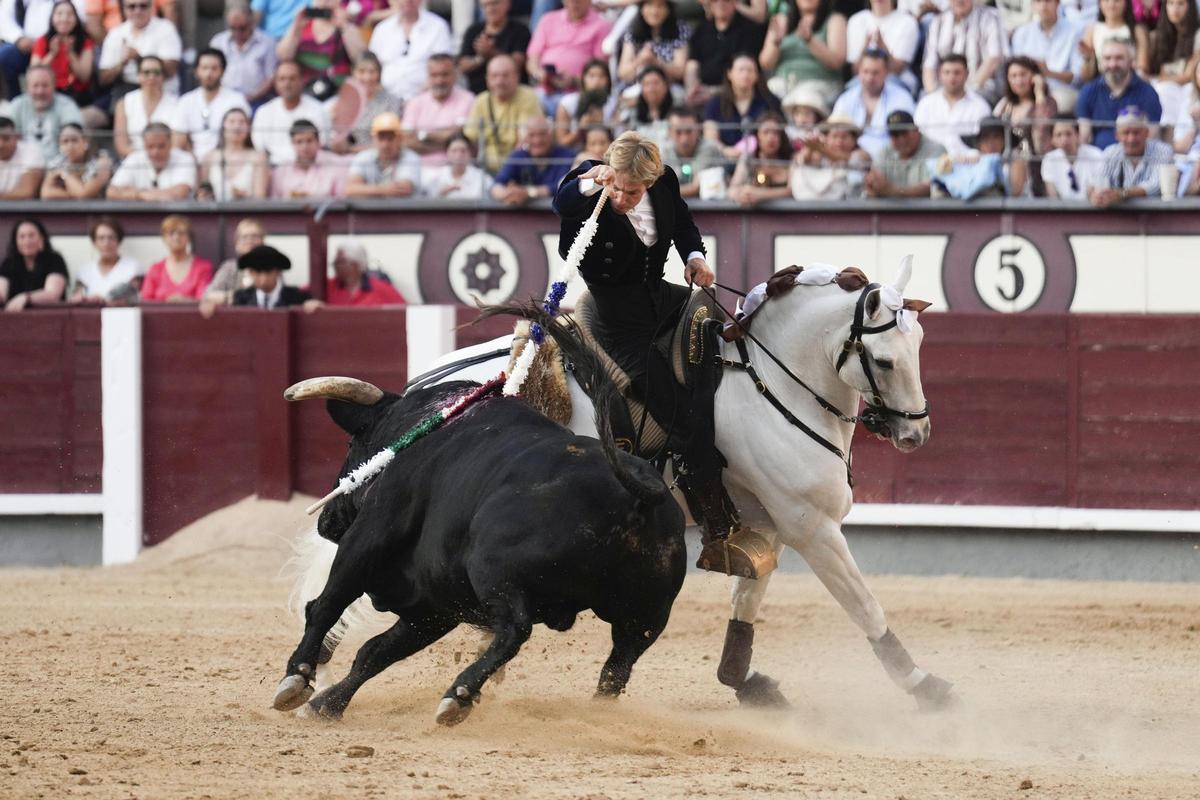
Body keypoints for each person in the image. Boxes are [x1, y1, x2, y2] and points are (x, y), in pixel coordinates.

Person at [552, 130, 771, 578]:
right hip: (617, 319)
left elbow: (683, 222)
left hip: (659, 297)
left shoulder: (665, 181)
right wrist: (596, 181)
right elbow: (563, 202)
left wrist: (694, 256)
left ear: (650, 182)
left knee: (717, 330)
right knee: (682, 415)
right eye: (619, 188)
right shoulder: (593, 182)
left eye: (632, 192)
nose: (622, 198)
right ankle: (717, 529)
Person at [526, 0, 612, 113]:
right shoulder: (548, 20)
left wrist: (574, 80)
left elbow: (600, 69)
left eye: (578, 1)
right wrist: (539, 74)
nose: (574, 3)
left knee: (568, 105)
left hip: (578, 93)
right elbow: (533, 58)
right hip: (543, 90)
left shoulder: (602, 25)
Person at [463, 54, 544, 173]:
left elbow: (525, 140)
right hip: (485, 170)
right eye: (494, 76)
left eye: (505, 76)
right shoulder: (481, 100)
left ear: (517, 76)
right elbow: (470, 139)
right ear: (487, 79)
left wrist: (507, 173)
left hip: (518, 168)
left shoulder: (527, 97)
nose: (499, 81)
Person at [1077, 36, 1162, 148]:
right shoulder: (1088, 91)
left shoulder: (1147, 93)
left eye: (1119, 58)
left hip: (1134, 160)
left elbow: (1151, 137)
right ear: (1100, 62)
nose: (1112, 64)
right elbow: (1084, 138)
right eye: (1107, 58)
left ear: (1131, 61)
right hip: (1098, 160)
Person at [830, 48, 915, 159]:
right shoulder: (845, 99)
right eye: (866, 72)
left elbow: (907, 137)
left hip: (890, 159)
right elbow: (835, 132)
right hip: (849, 157)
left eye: (875, 73)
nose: (870, 78)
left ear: (886, 73)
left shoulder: (902, 98)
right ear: (859, 72)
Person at [759, 0, 847, 104]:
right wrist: (776, 43)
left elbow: (837, 62)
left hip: (819, 85)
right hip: (782, 84)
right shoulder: (781, 20)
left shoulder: (835, 20)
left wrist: (810, 41)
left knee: (801, 98)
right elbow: (765, 64)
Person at [170, 48, 251, 162]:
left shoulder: (237, 100)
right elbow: (178, 139)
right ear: (196, 71)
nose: (209, 74)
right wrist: (193, 161)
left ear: (222, 71)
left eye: (214, 68)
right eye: (204, 68)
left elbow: (243, 137)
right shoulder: (186, 101)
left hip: (227, 160)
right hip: (192, 162)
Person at [922, 0, 1009, 102]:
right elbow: (929, 65)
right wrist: (932, 93)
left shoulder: (990, 18)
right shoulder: (938, 21)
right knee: (924, 100)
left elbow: (994, 58)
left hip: (980, 87)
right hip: (944, 89)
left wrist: (966, 92)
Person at [277, 0, 365, 101]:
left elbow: (361, 58)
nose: (326, 1)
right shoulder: (302, 25)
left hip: (338, 95)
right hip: (305, 95)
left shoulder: (347, 27)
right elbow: (283, 57)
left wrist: (345, 26)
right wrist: (295, 28)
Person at [684, 0, 766, 108]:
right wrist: (692, 88)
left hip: (735, 93)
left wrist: (713, 93)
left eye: (726, 0)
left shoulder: (749, 30)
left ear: (735, 3)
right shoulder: (702, 29)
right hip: (701, 89)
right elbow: (692, 64)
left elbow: (746, 71)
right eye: (715, 1)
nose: (721, 4)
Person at [369, 0, 454, 102]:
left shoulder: (438, 27)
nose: (408, 1)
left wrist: (416, 101)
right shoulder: (381, 29)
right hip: (385, 101)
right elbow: (372, 66)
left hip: (427, 100)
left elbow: (443, 67)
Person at [1011, 0, 1087, 113]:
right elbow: (1014, 70)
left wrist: (1048, 73)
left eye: (1048, 1)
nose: (1043, 6)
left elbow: (1078, 77)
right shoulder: (1022, 33)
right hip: (1027, 91)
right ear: (1032, 5)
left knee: (1055, 106)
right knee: (1002, 110)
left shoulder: (1076, 31)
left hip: (1062, 91)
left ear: (1058, 3)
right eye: (1038, 1)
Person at [401, 52, 475, 167]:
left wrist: (423, 135)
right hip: (419, 171)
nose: (439, 81)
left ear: (455, 75)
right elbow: (406, 141)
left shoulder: (467, 99)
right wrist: (448, 143)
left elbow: (460, 134)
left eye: (444, 75)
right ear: (427, 76)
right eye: (434, 75)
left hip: (454, 170)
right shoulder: (415, 102)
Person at [0, 0, 85, 100]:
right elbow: (4, 19)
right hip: (27, 46)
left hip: (63, 42)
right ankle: (14, 102)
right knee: (5, 56)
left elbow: (81, 15)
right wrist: (19, 38)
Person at [1089, 106, 1174, 204]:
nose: (1131, 139)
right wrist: (1093, 195)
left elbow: (1157, 185)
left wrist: (1122, 194)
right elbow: (1096, 181)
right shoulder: (1110, 152)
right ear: (1117, 135)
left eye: (1136, 133)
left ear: (1146, 133)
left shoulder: (1163, 150)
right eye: (1126, 133)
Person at [96, 0, 182, 98]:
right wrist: (121, 64)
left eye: (143, 6)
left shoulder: (166, 28)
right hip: (126, 91)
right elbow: (103, 79)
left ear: (151, 7)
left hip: (162, 91)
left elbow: (171, 70)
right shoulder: (115, 33)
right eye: (132, 7)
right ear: (124, 9)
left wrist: (139, 58)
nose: (137, 11)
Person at [704, 53, 782, 159]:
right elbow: (710, 136)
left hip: (761, 159)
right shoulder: (715, 102)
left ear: (756, 75)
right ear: (729, 73)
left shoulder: (770, 101)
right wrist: (725, 150)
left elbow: (778, 133)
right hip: (723, 158)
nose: (745, 75)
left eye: (750, 70)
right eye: (741, 70)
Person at [252, 60, 330, 164]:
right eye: (282, 79)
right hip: (272, 169)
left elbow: (321, 144)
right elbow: (260, 147)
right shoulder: (264, 112)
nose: (287, 84)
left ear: (302, 80)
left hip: (309, 167)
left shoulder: (317, 110)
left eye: (292, 78)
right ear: (275, 83)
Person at [914, 54, 993, 155]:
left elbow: (984, 144)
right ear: (939, 74)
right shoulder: (926, 104)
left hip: (969, 164)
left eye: (957, 73)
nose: (952, 77)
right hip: (931, 162)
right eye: (947, 72)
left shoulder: (980, 106)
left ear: (967, 74)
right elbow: (917, 138)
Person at [328, 51, 401, 154]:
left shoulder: (391, 101)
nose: (367, 77)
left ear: (379, 74)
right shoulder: (344, 101)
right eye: (361, 72)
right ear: (353, 73)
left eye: (372, 72)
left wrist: (351, 149)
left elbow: (390, 141)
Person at [490, 115, 574, 205]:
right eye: (531, 135)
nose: (537, 140)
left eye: (542, 134)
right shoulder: (517, 156)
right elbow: (497, 185)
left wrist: (528, 193)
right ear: (525, 138)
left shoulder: (566, 156)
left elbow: (561, 187)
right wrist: (508, 194)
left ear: (551, 135)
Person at [30, 1, 96, 112]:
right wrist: (52, 54)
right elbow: (33, 74)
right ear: (52, 17)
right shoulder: (42, 41)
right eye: (59, 14)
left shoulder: (85, 41)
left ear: (76, 18)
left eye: (69, 14)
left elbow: (84, 76)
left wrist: (71, 53)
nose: (64, 19)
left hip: (76, 95)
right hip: (49, 94)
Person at [864, 109, 946, 197]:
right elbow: (874, 181)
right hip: (890, 208)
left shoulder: (936, 150)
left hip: (927, 209)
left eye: (904, 133)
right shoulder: (885, 152)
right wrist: (873, 185)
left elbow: (931, 187)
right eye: (895, 135)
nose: (901, 139)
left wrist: (893, 191)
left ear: (916, 130)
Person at [7, 64, 81, 160]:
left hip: (57, 167)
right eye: (35, 85)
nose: (40, 91)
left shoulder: (67, 105)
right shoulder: (17, 105)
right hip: (23, 168)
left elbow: (73, 132)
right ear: (27, 87)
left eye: (45, 85)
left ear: (54, 86)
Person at [1146, 0, 1200, 131]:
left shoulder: (1198, 34)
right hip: (1169, 88)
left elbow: (1189, 75)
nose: (1175, 9)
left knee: (1176, 90)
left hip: (1189, 87)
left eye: (1180, 4)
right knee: (1162, 89)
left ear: (1190, 7)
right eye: (1171, 4)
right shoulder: (1160, 36)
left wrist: (1155, 79)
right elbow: (1162, 72)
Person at [106, 121, 196, 200]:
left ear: (170, 143)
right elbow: (111, 192)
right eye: (151, 147)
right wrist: (141, 195)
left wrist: (137, 192)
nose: (155, 152)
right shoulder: (134, 158)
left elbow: (180, 193)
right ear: (144, 145)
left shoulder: (185, 158)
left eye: (161, 146)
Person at [845, 0, 919, 95]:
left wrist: (883, 47)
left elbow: (898, 69)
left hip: (898, 82)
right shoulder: (856, 20)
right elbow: (855, 69)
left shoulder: (908, 22)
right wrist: (865, 47)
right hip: (862, 81)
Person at [210, 2, 277, 107]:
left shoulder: (267, 42)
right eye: (232, 28)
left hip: (257, 101)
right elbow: (212, 72)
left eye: (242, 28)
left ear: (252, 21)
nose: (237, 33)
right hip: (223, 101)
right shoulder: (218, 42)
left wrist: (252, 98)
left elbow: (271, 77)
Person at [457, 0, 530, 95]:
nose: (490, 9)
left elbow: (517, 64)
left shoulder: (520, 30)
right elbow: (462, 66)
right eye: (485, 5)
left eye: (495, 3)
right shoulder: (473, 31)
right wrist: (480, 58)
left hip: (513, 95)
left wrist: (491, 52)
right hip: (477, 96)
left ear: (507, 4)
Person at [791, 112, 872, 199]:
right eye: (834, 136)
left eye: (844, 137)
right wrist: (810, 148)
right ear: (826, 138)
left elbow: (844, 158)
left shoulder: (863, 155)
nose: (839, 141)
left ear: (854, 140)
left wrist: (820, 148)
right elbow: (801, 160)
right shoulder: (819, 155)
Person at [112, 54, 176, 158]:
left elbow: (176, 142)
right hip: (133, 161)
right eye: (146, 72)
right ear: (138, 76)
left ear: (163, 76)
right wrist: (144, 159)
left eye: (156, 72)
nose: (151, 77)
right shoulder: (124, 103)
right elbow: (121, 146)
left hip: (166, 160)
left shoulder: (176, 104)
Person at [616, 0, 692, 87]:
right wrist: (640, 60)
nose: (654, 11)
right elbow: (623, 73)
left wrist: (656, 61)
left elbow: (680, 72)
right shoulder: (633, 31)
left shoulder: (679, 30)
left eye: (660, 6)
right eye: (649, 5)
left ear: (669, 9)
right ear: (641, 8)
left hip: (669, 87)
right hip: (636, 86)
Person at [344, 110, 420, 197]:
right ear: (374, 139)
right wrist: (383, 190)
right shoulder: (363, 157)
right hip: (370, 210)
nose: (385, 144)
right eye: (381, 138)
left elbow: (404, 189)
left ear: (400, 139)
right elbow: (350, 190)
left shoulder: (411, 157)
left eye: (390, 138)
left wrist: (366, 190)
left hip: (402, 210)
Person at [199, 108, 269, 201]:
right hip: (214, 213)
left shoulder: (258, 157)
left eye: (242, 122)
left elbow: (260, 198)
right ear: (223, 127)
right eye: (231, 122)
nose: (237, 126)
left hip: (247, 212)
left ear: (248, 128)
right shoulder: (209, 157)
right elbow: (202, 194)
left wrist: (245, 197)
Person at [993, 56, 1058, 156]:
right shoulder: (1005, 104)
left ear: (1034, 77)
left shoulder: (1047, 102)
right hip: (1009, 161)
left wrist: (1039, 93)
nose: (1019, 81)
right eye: (1013, 76)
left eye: (1023, 75)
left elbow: (1042, 131)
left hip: (1036, 161)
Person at [141, 214, 213, 303]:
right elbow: (145, 301)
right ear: (164, 238)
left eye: (181, 233)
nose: (176, 237)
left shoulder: (203, 267)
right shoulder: (155, 269)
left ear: (189, 237)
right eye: (171, 233)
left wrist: (185, 301)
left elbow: (205, 300)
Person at [70, 216, 144, 303]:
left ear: (119, 241)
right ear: (94, 242)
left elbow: (133, 299)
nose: (106, 243)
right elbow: (77, 297)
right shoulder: (85, 271)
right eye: (101, 238)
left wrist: (103, 300)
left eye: (111, 237)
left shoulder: (133, 267)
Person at [728, 110, 794, 206]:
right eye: (766, 132)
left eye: (775, 133)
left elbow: (791, 191)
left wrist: (760, 194)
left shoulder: (790, 160)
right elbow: (732, 189)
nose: (770, 138)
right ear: (757, 137)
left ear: (781, 137)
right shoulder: (748, 159)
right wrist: (739, 195)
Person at [0, 217, 67, 311]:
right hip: (14, 318)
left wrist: (27, 298)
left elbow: (53, 294)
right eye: (22, 236)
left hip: (51, 318)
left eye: (31, 236)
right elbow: (1, 294)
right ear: (15, 241)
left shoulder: (55, 260)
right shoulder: (8, 263)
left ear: (41, 239)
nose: (27, 241)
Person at [231, 244, 320, 310]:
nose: (263, 278)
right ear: (250, 273)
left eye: (268, 272)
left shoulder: (298, 297)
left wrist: (315, 306)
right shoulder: (241, 298)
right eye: (258, 272)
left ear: (278, 272)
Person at [660, 106, 725, 197]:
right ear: (669, 132)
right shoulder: (663, 151)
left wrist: (666, 192)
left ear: (698, 130)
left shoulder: (710, 148)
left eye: (689, 131)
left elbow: (696, 188)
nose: (684, 139)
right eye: (678, 132)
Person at [201, 217, 265, 310]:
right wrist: (235, 297)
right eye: (244, 237)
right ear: (237, 244)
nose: (250, 241)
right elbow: (207, 295)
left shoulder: (272, 268)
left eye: (255, 236)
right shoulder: (229, 268)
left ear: (263, 241)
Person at [271, 118, 345, 197]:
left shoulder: (334, 164)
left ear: (318, 142)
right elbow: (274, 202)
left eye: (309, 141)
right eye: (299, 142)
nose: (304, 147)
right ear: (292, 144)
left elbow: (341, 199)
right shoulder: (282, 171)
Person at [1078, 0, 1146, 83]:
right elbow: (1085, 76)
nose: (1111, 4)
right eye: (1106, 1)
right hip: (1100, 83)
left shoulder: (1137, 31)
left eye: (1116, 1)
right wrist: (1087, 58)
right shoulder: (1092, 30)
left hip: (1130, 82)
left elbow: (1142, 67)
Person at [554, 58, 617, 148]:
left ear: (608, 80)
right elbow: (562, 142)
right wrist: (581, 129)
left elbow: (621, 140)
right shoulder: (567, 102)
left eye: (602, 76)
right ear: (583, 78)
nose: (596, 81)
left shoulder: (614, 103)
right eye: (592, 76)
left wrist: (604, 125)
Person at [1040, 113, 1106, 198]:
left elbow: (1097, 193)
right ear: (1052, 139)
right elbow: (1053, 196)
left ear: (1077, 134)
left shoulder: (1095, 155)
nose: (1064, 140)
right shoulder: (1049, 160)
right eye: (1058, 135)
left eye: (1068, 134)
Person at [324, 238, 406, 305]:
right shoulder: (327, 287)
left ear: (357, 265)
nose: (336, 266)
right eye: (336, 262)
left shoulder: (382, 289)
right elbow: (311, 298)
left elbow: (406, 313)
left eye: (341, 262)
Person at [40, 122, 111, 199]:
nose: (70, 146)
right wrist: (73, 195)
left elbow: (84, 195)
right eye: (65, 141)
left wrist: (65, 174)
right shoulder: (58, 162)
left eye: (74, 140)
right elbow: (46, 193)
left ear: (85, 142)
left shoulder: (101, 161)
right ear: (60, 146)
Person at [422, 134, 494, 199]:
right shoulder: (435, 177)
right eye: (454, 151)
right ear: (447, 153)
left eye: (463, 151)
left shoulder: (482, 177)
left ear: (470, 153)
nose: (458, 155)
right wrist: (440, 194)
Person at [621, 64, 673, 147]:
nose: (651, 89)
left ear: (666, 86)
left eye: (656, 83)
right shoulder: (632, 114)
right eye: (647, 84)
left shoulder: (676, 114)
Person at [0, 116, 45, 199]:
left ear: (16, 137)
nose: (1, 145)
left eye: (6, 138)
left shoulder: (32, 151)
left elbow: (26, 193)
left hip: (22, 210)